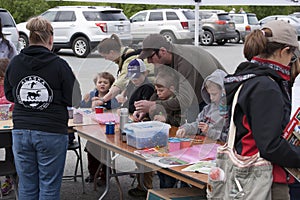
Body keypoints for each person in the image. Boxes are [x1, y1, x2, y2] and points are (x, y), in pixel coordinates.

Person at [4, 16, 81, 199]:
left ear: (29, 38)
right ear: (51, 39)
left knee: (27, 186)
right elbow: (75, 99)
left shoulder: (15, 63)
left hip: (21, 131)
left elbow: (9, 95)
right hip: (52, 131)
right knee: (49, 187)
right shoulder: (59, 65)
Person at [224, 20, 300, 199]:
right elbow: (270, 146)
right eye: (293, 55)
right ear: (284, 51)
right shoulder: (267, 86)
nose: (292, 61)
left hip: (246, 174)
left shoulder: (247, 77)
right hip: (265, 180)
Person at [134, 34, 226, 123]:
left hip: (214, 95)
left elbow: (185, 100)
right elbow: (158, 89)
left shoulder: (185, 61)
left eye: (150, 57)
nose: (149, 61)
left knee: (199, 129)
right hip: (194, 94)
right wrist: (145, 109)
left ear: (163, 51)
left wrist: (153, 106)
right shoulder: (160, 62)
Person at [80, 72, 120, 184]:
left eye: (105, 83)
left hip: (107, 129)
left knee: (105, 152)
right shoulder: (93, 94)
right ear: (96, 84)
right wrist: (85, 101)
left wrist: (105, 104)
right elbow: (82, 107)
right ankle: (92, 173)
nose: (102, 84)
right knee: (91, 150)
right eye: (100, 82)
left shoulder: (112, 96)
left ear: (110, 85)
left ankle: (104, 176)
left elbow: (116, 108)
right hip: (93, 128)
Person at [96, 34, 154, 107]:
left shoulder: (130, 60)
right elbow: (127, 83)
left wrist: (103, 100)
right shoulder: (127, 55)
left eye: (105, 56)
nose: (106, 59)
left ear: (111, 52)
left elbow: (120, 84)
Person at [176, 69, 228, 142]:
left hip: (219, 148)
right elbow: (198, 125)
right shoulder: (207, 109)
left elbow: (229, 138)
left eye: (214, 94)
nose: (211, 98)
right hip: (204, 145)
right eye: (209, 94)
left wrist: (210, 132)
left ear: (224, 91)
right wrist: (185, 129)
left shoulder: (230, 113)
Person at [0, 18, 18, 196]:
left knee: (9, 143)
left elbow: (16, 67)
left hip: (6, 105)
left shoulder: (8, 46)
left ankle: (10, 178)